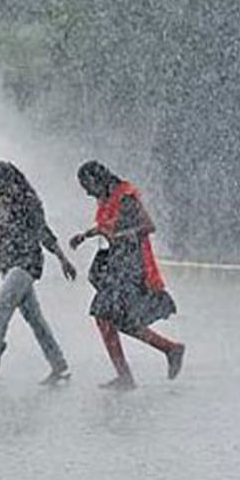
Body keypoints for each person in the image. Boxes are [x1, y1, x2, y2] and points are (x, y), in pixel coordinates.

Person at [69, 161, 185, 391]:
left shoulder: (125, 197)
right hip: (117, 264)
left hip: (131, 265)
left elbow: (147, 226)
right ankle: (168, 349)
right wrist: (86, 235)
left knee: (105, 315)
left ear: (97, 179)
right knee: (118, 320)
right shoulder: (106, 198)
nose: (86, 191)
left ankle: (129, 374)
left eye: (87, 185)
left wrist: (118, 235)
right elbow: (107, 225)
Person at [0, 161, 76, 385]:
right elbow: (3, 229)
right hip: (9, 262)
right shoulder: (3, 199)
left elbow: (42, 230)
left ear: (8, 179)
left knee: (0, 312)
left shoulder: (27, 200)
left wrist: (62, 258)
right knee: (35, 320)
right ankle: (59, 366)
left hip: (26, 262)